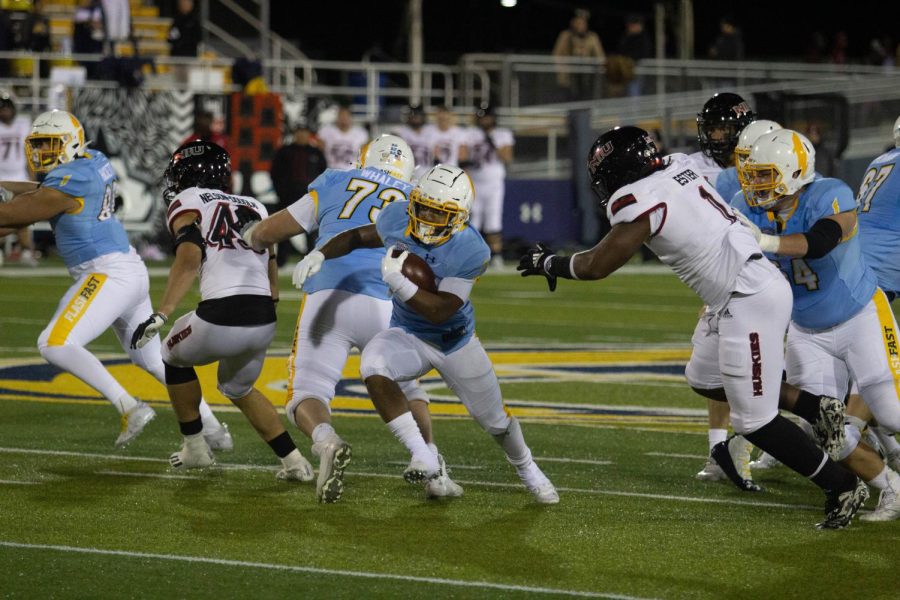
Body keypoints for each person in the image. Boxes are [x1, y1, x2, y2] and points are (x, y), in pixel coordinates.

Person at [518, 126, 868, 528]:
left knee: (753, 422)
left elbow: (599, 264)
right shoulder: (675, 167)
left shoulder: (641, 199)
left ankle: (840, 485)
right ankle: (814, 406)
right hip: (735, 292)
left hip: (748, 296)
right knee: (703, 376)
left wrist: (550, 263)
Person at [291, 163, 559, 504]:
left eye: (439, 213)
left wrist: (399, 283)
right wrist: (320, 252)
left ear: (459, 216)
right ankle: (425, 454)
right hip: (409, 334)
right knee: (373, 363)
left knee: (496, 422)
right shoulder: (398, 217)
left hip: (454, 341)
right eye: (424, 208)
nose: (428, 218)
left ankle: (527, 468)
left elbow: (441, 309)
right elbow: (358, 235)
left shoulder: (471, 249)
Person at [240, 134, 461, 503]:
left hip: (328, 294)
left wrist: (252, 237)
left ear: (363, 160)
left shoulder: (335, 181)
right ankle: (433, 471)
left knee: (306, 393)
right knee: (408, 388)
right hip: (388, 299)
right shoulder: (413, 197)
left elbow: (272, 230)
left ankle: (326, 441)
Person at [0, 110, 231, 450]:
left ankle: (130, 406)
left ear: (71, 143)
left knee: (55, 343)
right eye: (38, 146)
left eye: (50, 145)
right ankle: (213, 431)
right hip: (128, 269)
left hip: (106, 273)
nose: (42, 154)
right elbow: (36, 194)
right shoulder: (91, 160)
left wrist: (6, 195)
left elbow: (17, 212)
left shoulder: (68, 182)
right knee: (153, 360)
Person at [732, 128, 900, 522]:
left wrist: (767, 243)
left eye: (765, 174)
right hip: (807, 331)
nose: (755, 184)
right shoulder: (748, 205)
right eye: (754, 174)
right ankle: (891, 489)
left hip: (861, 315)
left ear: (793, 171)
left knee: (892, 414)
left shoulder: (830, 192)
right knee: (831, 432)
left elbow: (823, 239)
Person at [130, 140, 313, 481]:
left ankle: (196, 447)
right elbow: (270, 257)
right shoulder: (255, 204)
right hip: (263, 317)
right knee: (238, 387)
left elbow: (189, 256)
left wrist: (163, 312)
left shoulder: (188, 199)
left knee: (171, 354)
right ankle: (295, 462)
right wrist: (268, 298)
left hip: (221, 313)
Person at [687, 92, 757, 483]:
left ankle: (763, 443)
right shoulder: (692, 166)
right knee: (717, 372)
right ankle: (719, 452)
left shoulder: (763, 158)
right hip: (721, 279)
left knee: (782, 370)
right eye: (711, 128)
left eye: (722, 128)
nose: (714, 136)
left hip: (768, 273)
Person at [460, 104, 513, 270]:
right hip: (474, 182)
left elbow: (507, 157)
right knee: (472, 220)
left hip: (494, 184)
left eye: (487, 117)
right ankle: (470, 255)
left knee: (493, 220)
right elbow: (462, 157)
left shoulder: (503, 134)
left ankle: (496, 256)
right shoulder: (470, 134)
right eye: (482, 117)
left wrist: (493, 142)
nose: (484, 120)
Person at [268, 122, 326, 266]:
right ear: (294, 134)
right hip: (288, 195)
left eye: (304, 131)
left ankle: (310, 258)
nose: (301, 134)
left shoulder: (316, 153)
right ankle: (281, 260)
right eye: (299, 131)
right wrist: (281, 191)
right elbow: (275, 173)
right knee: (283, 229)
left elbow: (323, 174)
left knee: (312, 229)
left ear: (309, 134)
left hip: (310, 196)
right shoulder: (284, 151)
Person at [0, 91, 38, 267]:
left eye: (7, 107)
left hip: (18, 177)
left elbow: (28, 153)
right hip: (2, 177)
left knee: (23, 216)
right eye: (2, 108)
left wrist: (32, 177)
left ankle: (25, 250)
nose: (5, 111)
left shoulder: (23, 124)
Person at [552, 8, 605, 101]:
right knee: (568, 99)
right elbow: (557, 54)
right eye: (578, 22)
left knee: (584, 99)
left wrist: (597, 65)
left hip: (586, 75)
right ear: (573, 22)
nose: (581, 25)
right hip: (568, 75)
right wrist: (562, 66)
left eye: (583, 23)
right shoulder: (565, 35)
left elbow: (600, 55)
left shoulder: (592, 37)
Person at [317, 105, 367, 170]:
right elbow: (319, 149)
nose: (343, 118)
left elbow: (364, 154)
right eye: (341, 115)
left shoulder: (360, 133)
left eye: (346, 115)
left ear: (350, 117)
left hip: (351, 171)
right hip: (331, 171)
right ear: (337, 117)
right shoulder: (326, 131)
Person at [392, 104, 433, 181]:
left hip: (428, 175)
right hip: (407, 174)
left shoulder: (431, 131)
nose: (415, 118)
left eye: (417, 115)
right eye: (413, 115)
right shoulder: (400, 131)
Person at [616, 13, 652, 97]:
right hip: (625, 69)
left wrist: (631, 59)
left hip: (636, 68)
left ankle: (633, 109)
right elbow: (621, 51)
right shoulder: (626, 37)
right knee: (626, 92)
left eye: (633, 25)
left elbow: (644, 52)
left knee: (634, 91)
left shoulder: (643, 38)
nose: (630, 27)